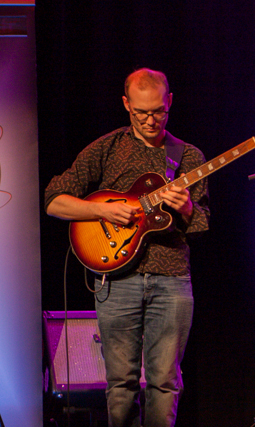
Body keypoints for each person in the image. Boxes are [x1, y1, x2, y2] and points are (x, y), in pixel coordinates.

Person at [44, 68, 209, 427]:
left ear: (169, 102)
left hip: (172, 280)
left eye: (158, 112)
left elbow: (200, 227)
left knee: (165, 382)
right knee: (120, 385)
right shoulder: (107, 148)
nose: (151, 120)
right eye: (141, 113)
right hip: (116, 280)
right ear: (126, 105)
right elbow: (53, 200)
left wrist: (186, 208)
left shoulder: (188, 156)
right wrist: (101, 210)